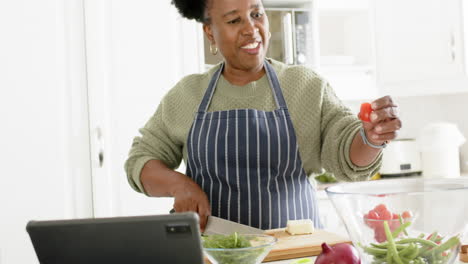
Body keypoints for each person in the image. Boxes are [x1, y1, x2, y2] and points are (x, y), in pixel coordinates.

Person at [124, 0, 402, 231]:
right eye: (234, 21)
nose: (251, 29)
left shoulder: (305, 86)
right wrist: (179, 185)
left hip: (295, 255)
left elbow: (346, 156)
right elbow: (141, 161)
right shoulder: (187, 94)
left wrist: (370, 136)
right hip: (211, 255)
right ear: (210, 32)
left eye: (256, 14)